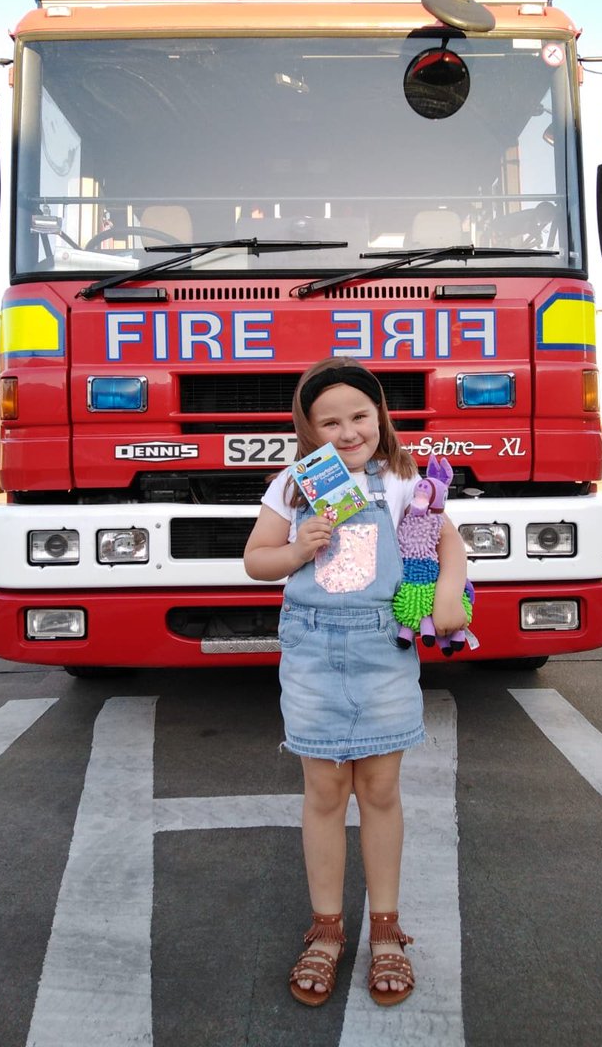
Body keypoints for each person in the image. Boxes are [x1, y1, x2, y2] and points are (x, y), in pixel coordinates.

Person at [243, 357, 469, 1008]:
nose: (348, 432)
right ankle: (326, 929)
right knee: (323, 792)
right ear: (308, 429)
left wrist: (447, 594)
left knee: (380, 789)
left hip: (382, 652)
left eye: (360, 416)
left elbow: (448, 545)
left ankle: (386, 930)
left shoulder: (401, 479)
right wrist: (295, 549)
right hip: (312, 653)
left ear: (380, 417)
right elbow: (256, 560)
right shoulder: (293, 485)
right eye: (330, 422)